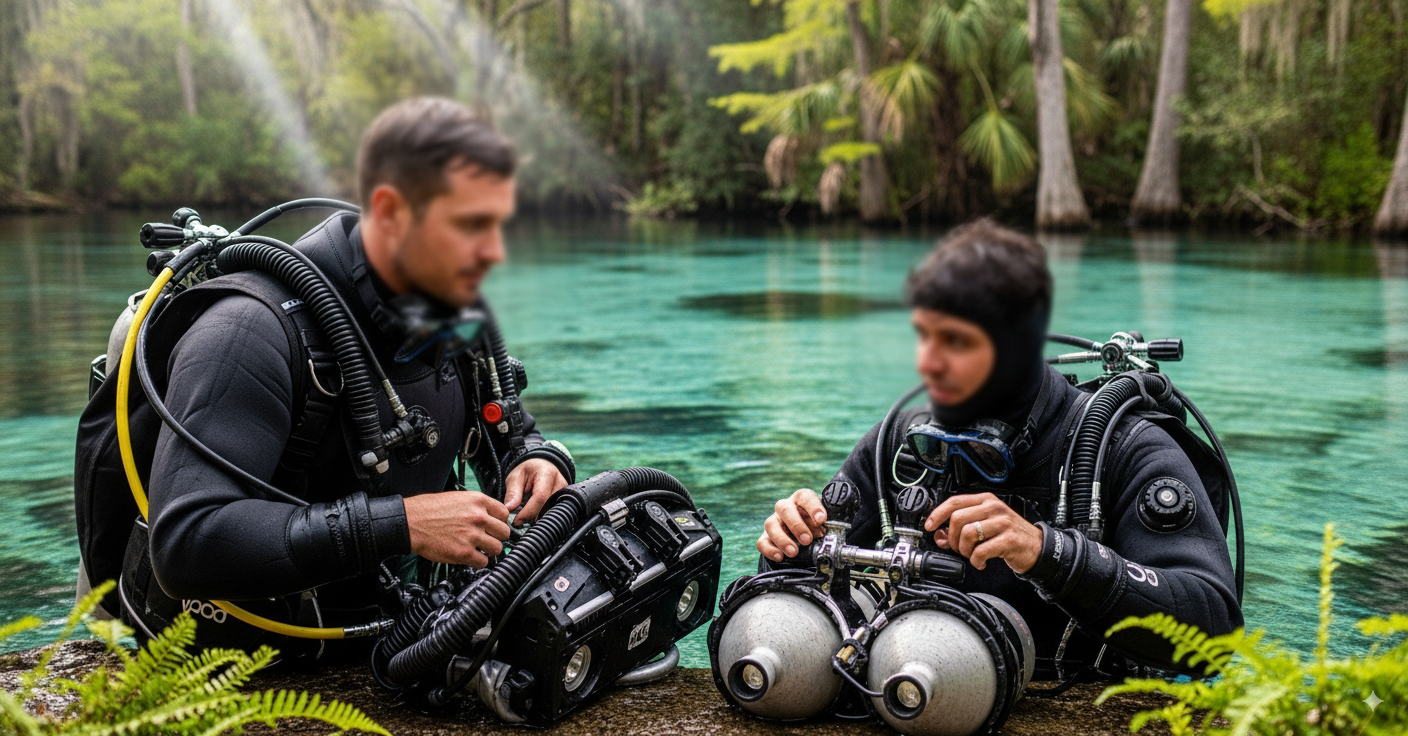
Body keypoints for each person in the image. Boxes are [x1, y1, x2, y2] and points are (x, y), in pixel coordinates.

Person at [118, 97, 576, 654]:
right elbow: (188, 543)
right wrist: (402, 524)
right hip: (246, 667)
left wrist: (536, 459)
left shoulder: (451, 312)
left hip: (394, 636)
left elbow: (504, 428)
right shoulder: (246, 333)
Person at [755, 220, 1242, 679]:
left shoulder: (1124, 449)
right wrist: (791, 547)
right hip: (915, 691)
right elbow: (794, 604)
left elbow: (1216, 629)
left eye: (958, 342)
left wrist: (1044, 551)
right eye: (924, 336)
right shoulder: (898, 448)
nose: (930, 364)